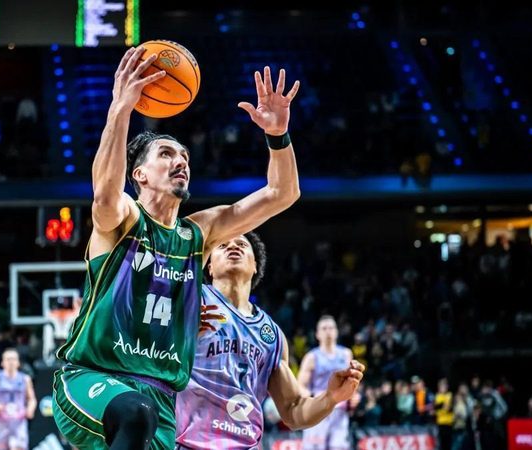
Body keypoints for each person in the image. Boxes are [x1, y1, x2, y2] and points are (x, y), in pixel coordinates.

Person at [53, 45, 301, 450]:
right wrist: (121, 108)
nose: (181, 161)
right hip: (91, 377)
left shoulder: (196, 236)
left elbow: (282, 193)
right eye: (166, 154)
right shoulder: (124, 221)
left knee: (141, 414)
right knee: (133, 413)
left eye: (184, 156)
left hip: (162, 402)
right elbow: (104, 193)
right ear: (141, 175)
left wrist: (277, 135)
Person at [175, 233, 364, 449]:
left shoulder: (271, 334)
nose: (233, 247)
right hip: (187, 443)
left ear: (255, 265)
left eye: (242, 245)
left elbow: (293, 410)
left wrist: (330, 398)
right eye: (223, 245)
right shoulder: (190, 299)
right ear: (208, 266)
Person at [298, 316, 359, 450]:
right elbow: (299, 386)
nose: (328, 331)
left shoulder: (346, 354)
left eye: (331, 328)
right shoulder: (311, 357)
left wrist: (354, 396)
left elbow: (353, 381)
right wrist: (314, 397)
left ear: (336, 332)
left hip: (339, 412)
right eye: (324, 329)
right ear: (317, 334)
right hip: (318, 411)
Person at [0, 349, 37, 450]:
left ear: (18, 362)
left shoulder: (25, 379)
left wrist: (30, 409)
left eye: (13, 359)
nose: (11, 362)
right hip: (0, 421)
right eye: (8, 359)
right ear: (2, 362)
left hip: (18, 421)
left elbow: (32, 399)